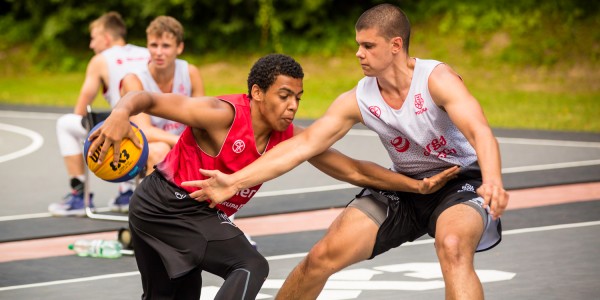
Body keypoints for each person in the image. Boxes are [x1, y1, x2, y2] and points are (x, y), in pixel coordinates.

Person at [187, 4, 510, 299]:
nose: (359, 53)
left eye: (368, 46)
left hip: (460, 183)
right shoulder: (360, 98)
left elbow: (479, 130)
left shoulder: (436, 80)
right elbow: (302, 145)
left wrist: (493, 180)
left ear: (395, 45)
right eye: (358, 45)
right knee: (320, 258)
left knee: (452, 246)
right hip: (405, 186)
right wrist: (234, 181)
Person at [87, 53, 459, 299]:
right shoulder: (222, 115)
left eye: (298, 96)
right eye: (284, 95)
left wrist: (415, 185)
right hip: (166, 205)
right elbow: (147, 100)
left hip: (184, 213)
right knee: (250, 265)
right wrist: (120, 113)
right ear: (257, 93)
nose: (293, 105)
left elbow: (352, 169)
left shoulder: (290, 138)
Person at [49, 12, 149, 216]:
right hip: (158, 123)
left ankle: (79, 195)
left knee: (66, 124)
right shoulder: (148, 52)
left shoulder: (100, 60)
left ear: (106, 38)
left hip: (126, 127)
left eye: (93, 38)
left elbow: (82, 106)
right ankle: (128, 191)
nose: (91, 45)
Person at [114, 15, 205, 213]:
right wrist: (183, 142)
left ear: (179, 47)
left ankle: (220, 222)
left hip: (182, 144)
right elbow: (144, 131)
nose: (158, 52)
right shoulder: (134, 80)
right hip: (144, 146)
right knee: (160, 149)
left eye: (166, 46)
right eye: (153, 45)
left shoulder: (190, 72)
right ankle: (162, 218)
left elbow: (202, 120)